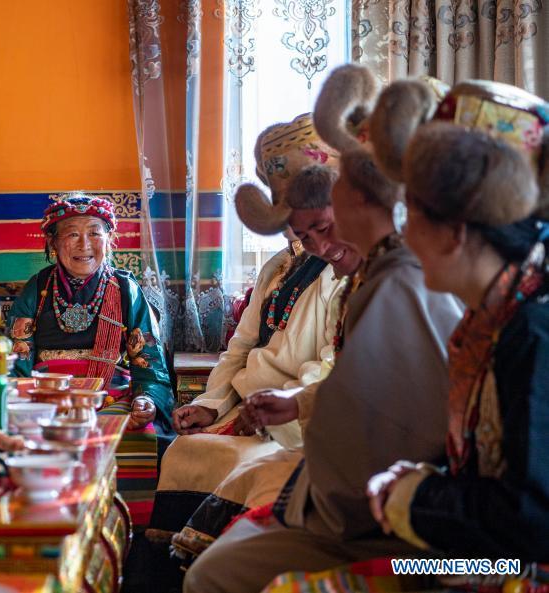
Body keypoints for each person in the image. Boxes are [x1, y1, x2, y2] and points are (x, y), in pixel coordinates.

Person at [182, 64, 464, 593]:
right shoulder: (371, 275)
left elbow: (397, 425)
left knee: (216, 573)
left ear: (356, 202)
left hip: (421, 538)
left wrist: (312, 472)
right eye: (302, 230)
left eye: (327, 214)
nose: (316, 238)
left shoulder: (398, 280)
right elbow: (362, 390)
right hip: (370, 503)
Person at [148, 116, 364, 565]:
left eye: (313, 222)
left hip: (289, 425)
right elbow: (241, 348)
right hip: (248, 407)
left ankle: (218, 563)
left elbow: (331, 364)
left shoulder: (344, 271)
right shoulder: (276, 269)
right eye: (296, 223)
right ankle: (174, 565)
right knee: (183, 450)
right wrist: (213, 404)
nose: (308, 237)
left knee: (238, 468)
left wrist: (276, 408)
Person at [365, 80, 549, 560]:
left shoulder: (533, 330)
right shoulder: (491, 319)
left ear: (455, 232)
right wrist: (420, 483)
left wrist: (415, 499)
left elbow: (532, 520)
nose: (404, 231)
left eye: (414, 212)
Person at [7, 193, 175, 519]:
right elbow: (19, 359)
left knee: (142, 434)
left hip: (110, 393)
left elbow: (148, 361)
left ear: (109, 240)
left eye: (95, 232)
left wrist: (148, 400)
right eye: (72, 234)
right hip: (49, 396)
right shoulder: (37, 289)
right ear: (53, 243)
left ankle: (121, 525)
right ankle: (49, 515)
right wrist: (19, 402)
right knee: (22, 437)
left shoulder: (126, 289)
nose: (85, 243)